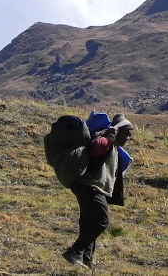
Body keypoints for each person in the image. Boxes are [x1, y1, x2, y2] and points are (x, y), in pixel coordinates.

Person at [62, 114, 134, 269]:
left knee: (89, 224)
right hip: (89, 187)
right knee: (101, 221)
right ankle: (74, 252)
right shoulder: (105, 140)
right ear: (118, 130)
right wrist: (110, 135)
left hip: (92, 188)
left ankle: (87, 262)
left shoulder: (114, 147)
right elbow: (96, 147)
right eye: (127, 133)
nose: (129, 137)